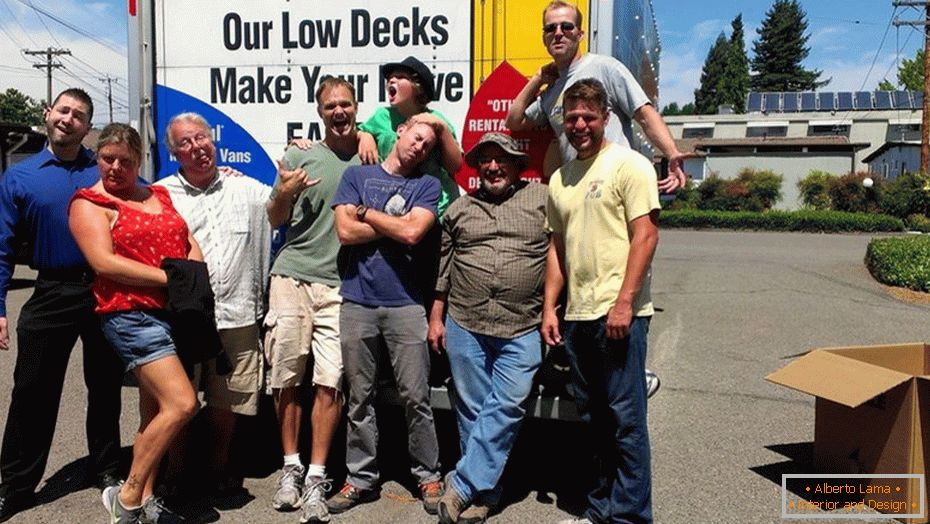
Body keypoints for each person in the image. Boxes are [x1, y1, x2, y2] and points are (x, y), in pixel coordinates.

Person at [506, 0, 682, 397]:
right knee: (582, 289)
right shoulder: (552, 95)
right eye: (551, 29)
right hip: (575, 198)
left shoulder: (604, 68)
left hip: (616, 194)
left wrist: (671, 155)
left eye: (567, 27)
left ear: (580, 33)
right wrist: (538, 79)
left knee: (628, 287)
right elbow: (514, 121)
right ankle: (584, 374)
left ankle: (637, 373)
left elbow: (643, 112)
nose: (559, 34)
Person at [68, 123, 203, 524]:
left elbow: (185, 238)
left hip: (170, 313)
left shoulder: (157, 193)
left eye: (125, 161)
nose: (115, 168)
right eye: (107, 159)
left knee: (155, 414)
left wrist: (194, 271)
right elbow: (103, 263)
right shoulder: (89, 203)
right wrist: (174, 280)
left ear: (138, 161)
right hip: (129, 313)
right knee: (182, 403)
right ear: (98, 158)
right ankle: (126, 501)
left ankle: (145, 501)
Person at [0, 88, 124, 523]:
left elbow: (149, 198)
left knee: (106, 386)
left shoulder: (104, 171)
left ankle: (107, 469)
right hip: (50, 289)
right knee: (33, 390)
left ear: (88, 128)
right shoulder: (21, 177)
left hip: (104, 288)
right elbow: (1, 246)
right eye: (64, 111)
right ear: (48, 113)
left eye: (80, 116)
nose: (69, 120)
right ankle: (15, 486)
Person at [542, 79, 660, 524]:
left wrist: (625, 302)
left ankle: (629, 516)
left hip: (619, 315)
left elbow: (646, 235)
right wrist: (549, 307)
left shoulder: (629, 166)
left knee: (626, 420)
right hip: (577, 316)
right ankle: (600, 508)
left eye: (588, 117)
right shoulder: (561, 179)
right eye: (572, 118)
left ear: (605, 118)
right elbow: (558, 247)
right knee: (593, 420)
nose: (580, 125)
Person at [327, 114, 447, 516]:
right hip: (357, 302)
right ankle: (360, 478)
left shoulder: (428, 186)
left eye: (429, 145)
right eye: (417, 137)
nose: (420, 147)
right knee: (359, 397)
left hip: (407, 305)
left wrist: (368, 214)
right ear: (401, 132)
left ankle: (428, 474)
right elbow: (345, 232)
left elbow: (414, 234)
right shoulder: (356, 177)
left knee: (416, 397)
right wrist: (394, 223)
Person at [429, 132, 549, 524]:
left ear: (517, 166)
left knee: (508, 405)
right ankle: (486, 494)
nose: (493, 167)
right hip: (466, 321)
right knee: (473, 411)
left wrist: (553, 308)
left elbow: (561, 255)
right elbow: (443, 269)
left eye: (502, 160)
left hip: (522, 325)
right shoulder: (459, 210)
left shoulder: (543, 200)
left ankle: (461, 486)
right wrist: (436, 315)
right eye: (485, 161)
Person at [156, 112, 272, 495]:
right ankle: (176, 472)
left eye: (201, 138)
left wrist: (301, 152)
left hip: (237, 313)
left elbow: (283, 200)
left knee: (228, 401)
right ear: (175, 154)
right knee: (179, 401)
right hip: (184, 319)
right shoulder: (160, 195)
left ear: (213, 140)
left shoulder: (247, 189)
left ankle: (219, 468)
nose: (196, 147)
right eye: (185, 143)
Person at [263, 77, 361, 524]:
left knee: (330, 380)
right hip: (292, 277)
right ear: (319, 113)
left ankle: (318, 477)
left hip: (340, 284)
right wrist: (285, 191)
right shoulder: (299, 155)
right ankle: (290, 469)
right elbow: (275, 217)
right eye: (329, 106)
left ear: (356, 108)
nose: (338, 111)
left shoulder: (370, 153)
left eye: (345, 104)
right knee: (286, 376)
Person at [357, 56, 463, 217]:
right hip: (395, 209)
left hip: (438, 210)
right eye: (390, 78)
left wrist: (441, 128)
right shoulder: (381, 116)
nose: (391, 80)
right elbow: (356, 134)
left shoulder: (437, 119)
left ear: (418, 87)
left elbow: (455, 166)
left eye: (400, 77)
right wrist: (364, 136)